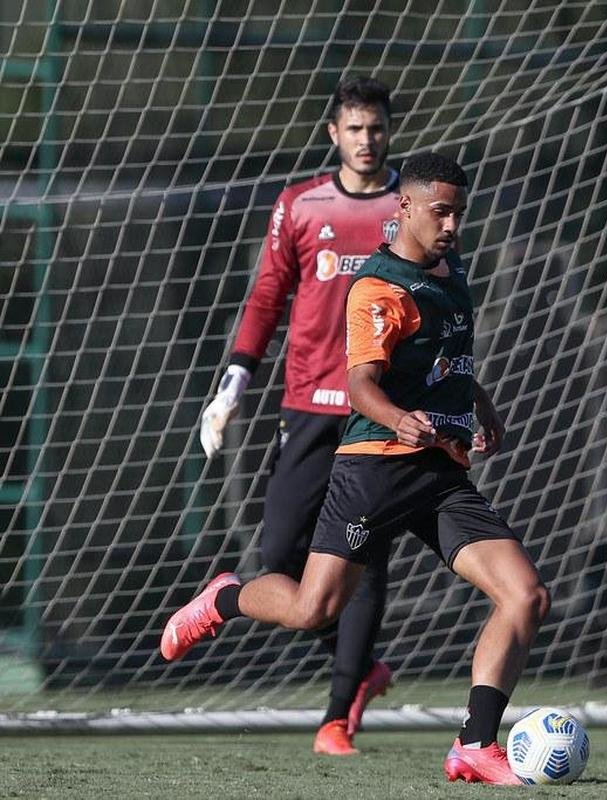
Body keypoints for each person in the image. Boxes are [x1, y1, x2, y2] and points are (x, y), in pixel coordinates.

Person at [162, 152, 550, 785]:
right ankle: (225, 597)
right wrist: (397, 418)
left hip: (438, 473)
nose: (451, 225)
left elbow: (447, 358)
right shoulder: (378, 287)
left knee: (526, 594)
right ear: (405, 208)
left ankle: (474, 745)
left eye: (459, 212)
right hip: (373, 469)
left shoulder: (453, 274)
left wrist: (478, 400)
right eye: (440, 212)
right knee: (315, 609)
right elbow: (362, 384)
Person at [186, 76, 402, 756]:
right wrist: (231, 385)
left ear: (387, 132)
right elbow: (266, 298)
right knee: (281, 560)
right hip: (307, 403)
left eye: (376, 128)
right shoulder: (299, 206)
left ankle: (337, 714)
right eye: (354, 129)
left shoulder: (412, 206)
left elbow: (441, 301)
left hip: (380, 412)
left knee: (363, 558)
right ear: (333, 134)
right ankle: (359, 667)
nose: (366, 141)